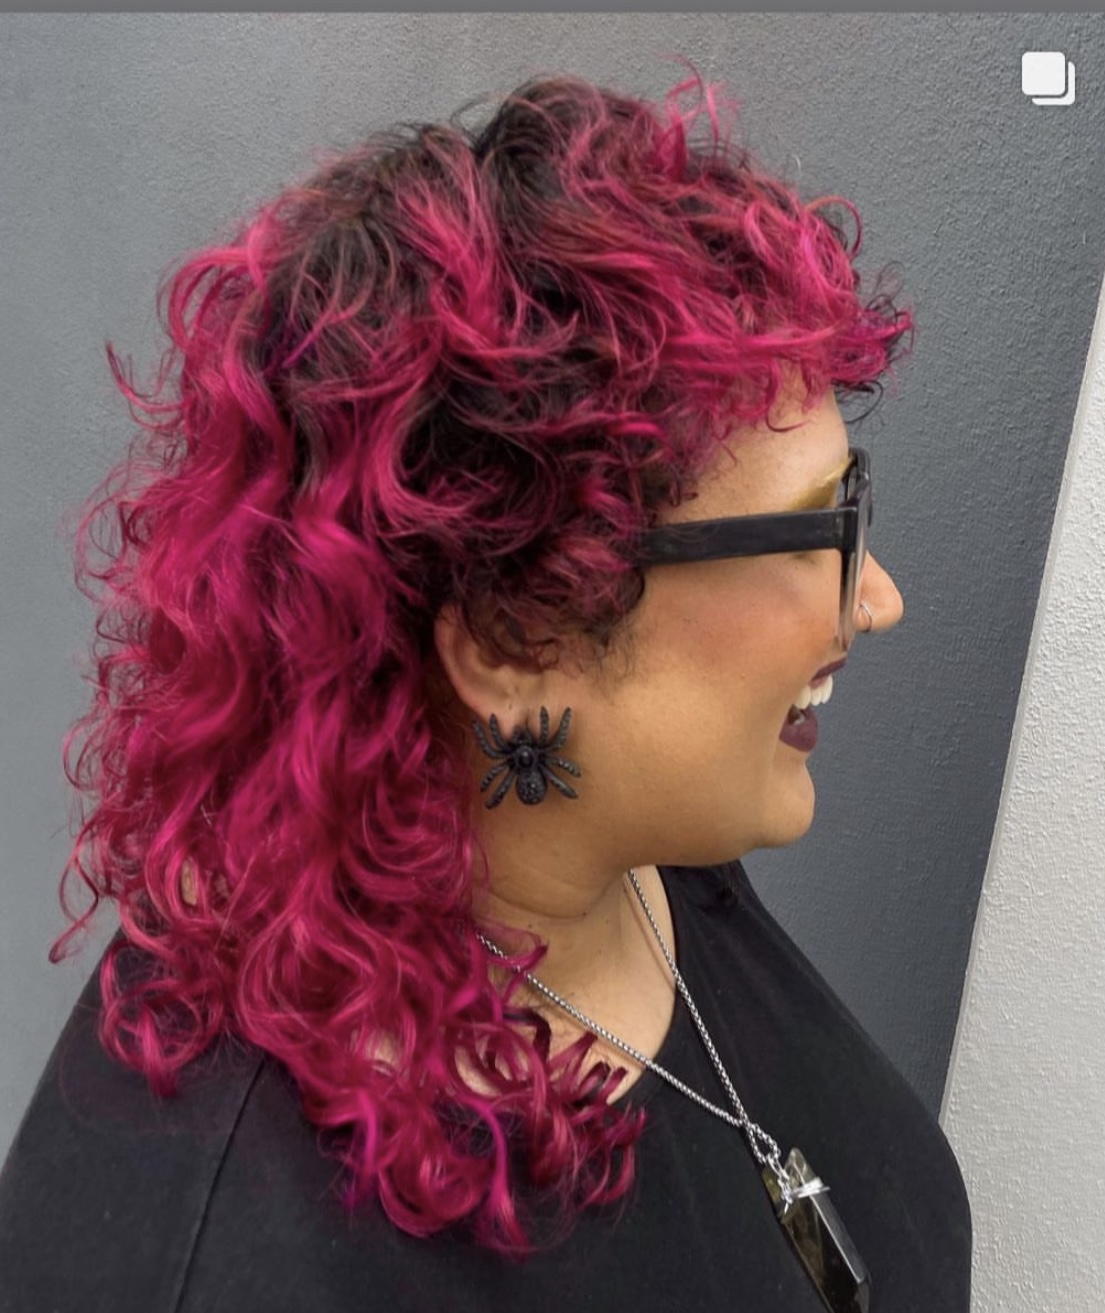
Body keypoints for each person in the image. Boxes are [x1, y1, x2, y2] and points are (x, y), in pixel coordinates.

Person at [0, 72, 971, 1311]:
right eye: (817, 530)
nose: (875, 597)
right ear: (517, 638)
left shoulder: (635, 848)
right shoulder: (205, 1258)